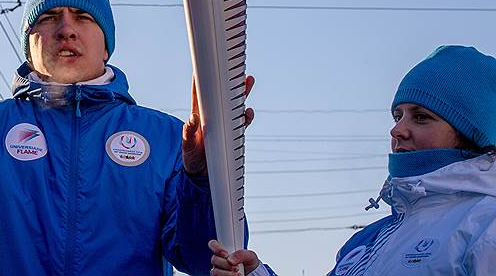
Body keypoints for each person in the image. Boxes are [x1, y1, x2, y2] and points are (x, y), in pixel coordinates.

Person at [0, 0, 255, 275]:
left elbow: (202, 256)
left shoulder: (168, 138)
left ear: (106, 45)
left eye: (84, 18)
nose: (66, 29)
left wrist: (204, 178)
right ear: (30, 44)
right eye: (49, 17)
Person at [209, 45, 496, 276]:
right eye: (398, 116)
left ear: (470, 132)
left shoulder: (484, 225)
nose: (397, 130)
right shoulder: (368, 241)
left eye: (421, 117)